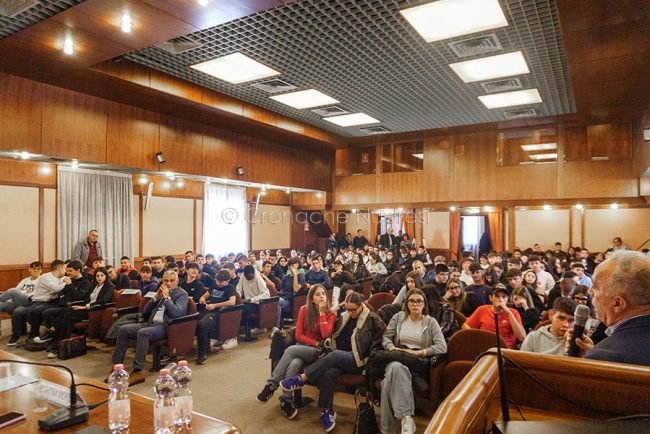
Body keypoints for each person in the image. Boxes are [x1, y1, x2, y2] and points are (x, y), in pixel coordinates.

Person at [280, 292, 385, 432]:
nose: (350, 312)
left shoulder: (373, 320)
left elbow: (378, 345)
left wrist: (369, 361)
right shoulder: (345, 317)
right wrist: (338, 308)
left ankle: (301, 378)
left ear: (362, 306)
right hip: (341, 358)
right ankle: (326, 412)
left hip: (358, 361)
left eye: (353, 309)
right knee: (328, 373)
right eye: (347, 308)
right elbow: (329, 319)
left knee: (334, 355)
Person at [256, 285, 336, 419]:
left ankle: (271, 385)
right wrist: (314, 342)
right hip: (301, 347)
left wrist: (322, 313)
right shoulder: (304, 310)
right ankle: (286, 401)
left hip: (317, 352)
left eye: (323, 294)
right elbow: (298, 335)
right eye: (318, 294)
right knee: (294, 364)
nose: (322, 296)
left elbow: (325, 334)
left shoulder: (330, 314)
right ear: (311, 299)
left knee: (290, 350)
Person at [379, 288, 447, 434]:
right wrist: (391, 348)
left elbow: (442, 347)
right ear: (407, 303)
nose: (415, 304)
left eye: (419, 301)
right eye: (412, 301)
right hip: (397, 355)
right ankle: (407, 419)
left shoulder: (430, 322)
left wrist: (420, 352)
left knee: (387, 381)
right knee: (395, 369)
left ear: (424, 304)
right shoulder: (398, 317)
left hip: (417, 361)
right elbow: (386, 337)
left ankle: (387, 430)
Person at [567, 251, 650, 366]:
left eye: (595, 287)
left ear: (618, 304)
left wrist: (597, 357)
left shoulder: (604, 358)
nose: (590, 292)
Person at [110, 270, 188, 380]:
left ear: (177, 281)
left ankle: (138, 370)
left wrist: (166, 298)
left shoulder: (182, 294)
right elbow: (146, 311)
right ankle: (116, 366)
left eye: (172, 281)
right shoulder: (160, 292)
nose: (168, 283)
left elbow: (178, 313)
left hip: (166, 326)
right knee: (123, 329)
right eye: (166, 281)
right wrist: (156, 297)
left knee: (143, 333)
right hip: (151, 323)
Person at [44, 267, 115, 358]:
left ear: (106, 276)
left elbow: (103, 301)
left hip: (94, 311)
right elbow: (86, 299)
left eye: (102, 275)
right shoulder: (94, 286)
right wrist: (80, 305)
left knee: (68, 313)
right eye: (97, 276)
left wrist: (85, 307)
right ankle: (59, 347)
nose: (99, 278)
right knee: (68, 319)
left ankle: (53, 331)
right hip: (85, 308)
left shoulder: (110, 287)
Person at [8, 260, 70, 346]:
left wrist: (66, 281)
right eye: (65, 269)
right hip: (36, 300)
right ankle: (16, 336)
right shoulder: (45, 277)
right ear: (60, 268)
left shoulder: (62, 277)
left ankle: (34, 334)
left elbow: (65, 283)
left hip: (48, 302)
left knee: (33, 311)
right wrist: (66, 283)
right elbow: (56, 288)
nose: (66, 271)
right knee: (17, 311)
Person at [464, 284, 526, 349]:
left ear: (508, 299)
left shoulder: (513, 312)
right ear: (490, 298)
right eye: (497, 296)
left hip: (506, 350)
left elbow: (522, 338)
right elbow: (465, 327)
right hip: (485, 349)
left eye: (504, 297)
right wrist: (476, 339)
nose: (501, 299)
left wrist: (509, 314)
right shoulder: (482, 309)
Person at [196, 270, 237, 364]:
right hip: (209, 309)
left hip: (220, 312)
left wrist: (215, 305)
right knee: (192, 319)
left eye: (221, 282)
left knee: (203, 324)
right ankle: (206, 346)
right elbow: (204, 296)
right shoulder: (214, 285)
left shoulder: (230, 287)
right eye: (217, 280)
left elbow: (232, 302)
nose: (218, 283)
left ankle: (202, 353)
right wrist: (202, 299)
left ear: (227, 280)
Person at [237, 265, 271, 333]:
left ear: (253, 274)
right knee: (236, 307)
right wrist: (238, 297)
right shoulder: (243, 276)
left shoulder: (258, 278)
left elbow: (267, 294)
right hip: (247, 303)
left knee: (239, 308)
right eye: (246, 277)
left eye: (249, 277)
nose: (248, 278)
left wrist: (251, 299)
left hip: (257, 304)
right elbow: (238, 289)